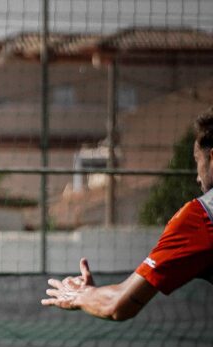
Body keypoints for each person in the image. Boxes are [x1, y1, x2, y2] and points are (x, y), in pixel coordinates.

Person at [42, 106, 213, 319]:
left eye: (197, 160)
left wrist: (82, 295)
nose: (197, 176)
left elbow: (118, 305)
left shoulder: (202, 217)